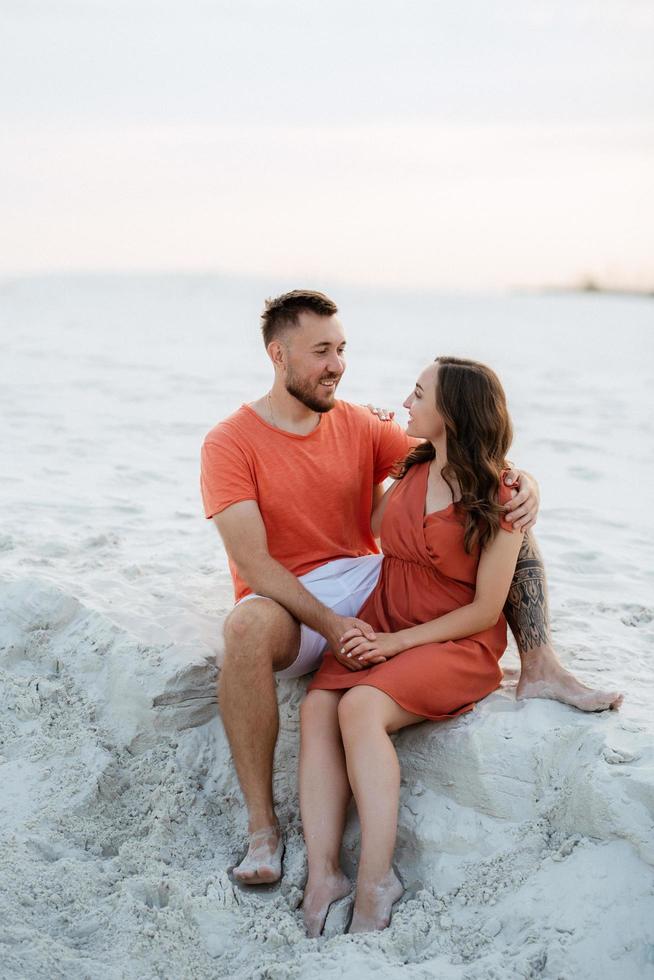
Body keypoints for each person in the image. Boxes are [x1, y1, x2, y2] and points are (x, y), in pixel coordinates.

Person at [200, 291, 622, 888]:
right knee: (243, 627)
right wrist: (331, 624)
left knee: (511, 528)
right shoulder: (230, 442)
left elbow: (472, 469)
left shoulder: (362, 425)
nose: (337, 365)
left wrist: (527, 485)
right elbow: (256, 564)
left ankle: (539, 661)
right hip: (291, 597)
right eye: (321, 351)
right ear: (278, 354)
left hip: (370, 577)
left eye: (341, 349)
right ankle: (264, 830)